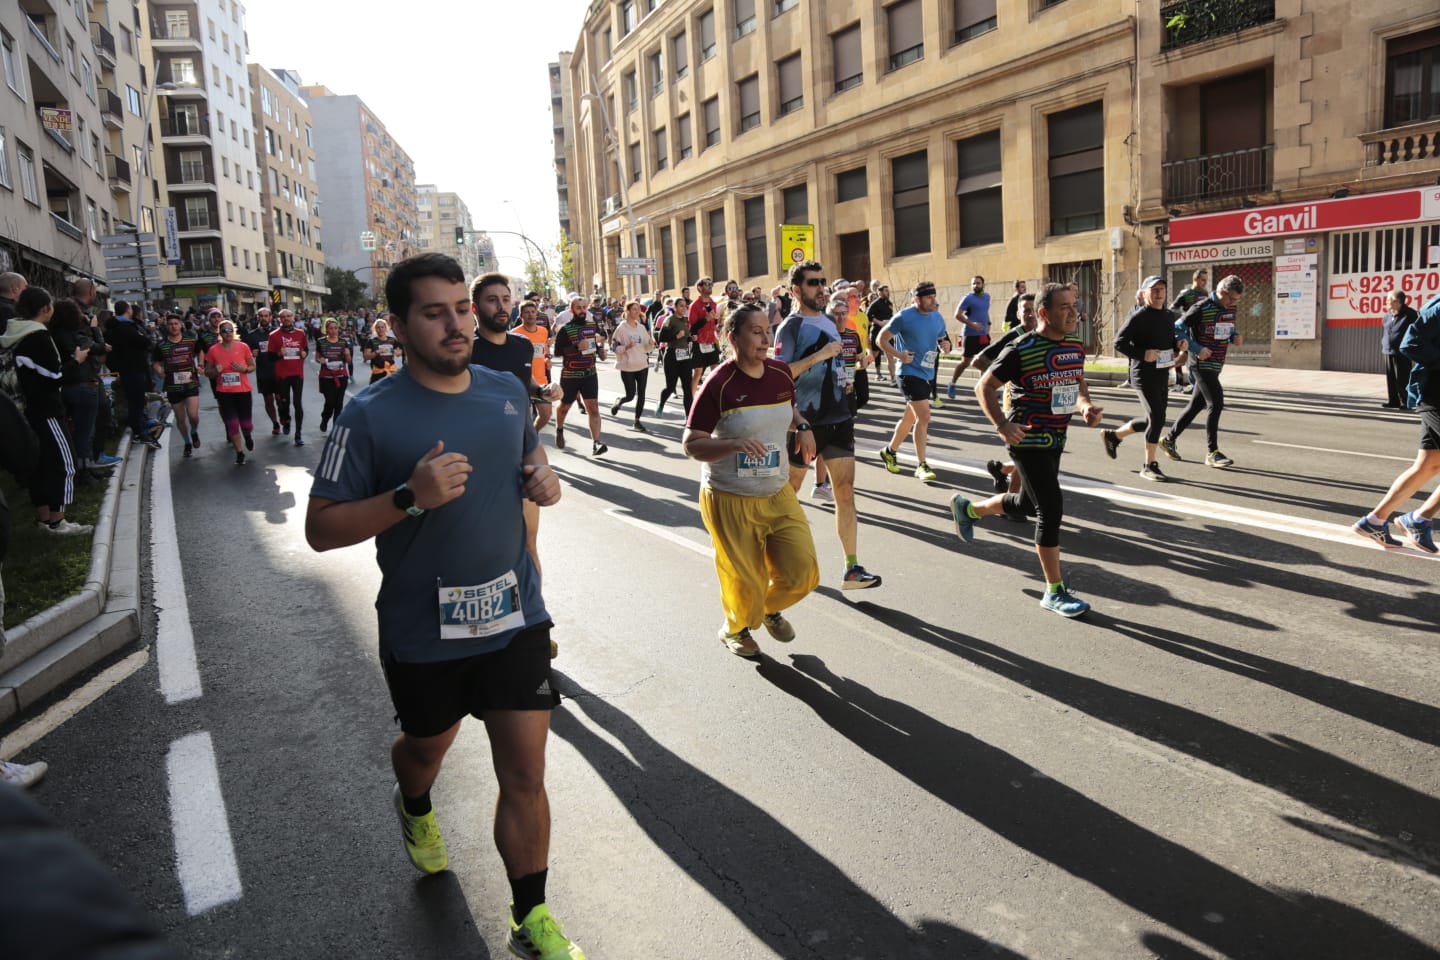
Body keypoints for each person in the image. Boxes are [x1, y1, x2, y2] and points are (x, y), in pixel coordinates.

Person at [305, 254, 582, 960]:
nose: (457, 322)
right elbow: (321, 528)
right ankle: (415, 803)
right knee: (426, 750)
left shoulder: (505, 392)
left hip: (515, 613)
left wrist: (543, 481)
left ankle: (531, 915)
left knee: (524, 773)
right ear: (396, 325)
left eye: (461, 306)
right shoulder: (369, 414)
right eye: (435, 312)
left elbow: (528, 463)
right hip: (423, 631)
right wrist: (407, 496)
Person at [949, 283, 1104, 617]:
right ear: (1044, 313)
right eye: (1064, 306)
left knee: (1024, 503)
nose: (1073, 312)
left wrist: (1085, 406)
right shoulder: (1023, 347)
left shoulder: (1075, 345)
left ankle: (969, 510)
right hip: (1027, 438)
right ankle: (1054, 591)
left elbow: (1075, 380)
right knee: (1050, 507)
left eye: (1074, 305)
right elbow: (983, 386)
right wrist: (1003, 425)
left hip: (1056, 438)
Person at [683, 303, 820, 657]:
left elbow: (788, 410)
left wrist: (802, 426)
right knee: (744, 580)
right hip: (730, 496)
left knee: (803, 572)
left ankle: (765, 608)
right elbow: (692, 444)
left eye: (766, 331)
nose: (765, 338)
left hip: (776, 489)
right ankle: (736, 629)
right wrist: (732, 444)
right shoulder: (718, 383)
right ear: (733, 338)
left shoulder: (779, 373)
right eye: (756, 332)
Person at [774, 263, 882, 592]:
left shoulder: (831, 322)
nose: (821, 288)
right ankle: (774, 558)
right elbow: (781, 377)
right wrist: (820, 355)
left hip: (838, 418)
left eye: (822, 282)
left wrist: (846, 380)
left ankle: (852, 568)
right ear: (796, 290)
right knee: (788, 496)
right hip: (804, 423)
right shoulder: (790, 328)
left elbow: (837, 364)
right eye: (812, 283)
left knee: (845, 492)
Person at [1354, 292, 1440, 553]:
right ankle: (1419, 519)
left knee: (1428, 465)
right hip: (1436, 394)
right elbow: (1411, 343)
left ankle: (1374, 521)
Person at [1, 287, 92, 535]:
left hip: (25, 409)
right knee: (65, 462)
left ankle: (43, 520)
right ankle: (58, 521)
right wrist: (77, 361)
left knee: (39, 464)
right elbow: (54, 377)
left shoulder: (15, 333)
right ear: (45, 309)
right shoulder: (37, 336)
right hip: (47, 409)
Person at [1102, 277, 1187, 482]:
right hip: (1142, 374)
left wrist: (1179, 346)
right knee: (1157, 418)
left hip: (1161, 373)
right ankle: (1149, 466)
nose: (1159, 293)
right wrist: (1143, 354)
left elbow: (1167, 342)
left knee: (1153, 419)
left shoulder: (1168, 315)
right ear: (1145, 293)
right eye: (1154, 289)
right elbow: (1119, 342)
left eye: (1162, 289)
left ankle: (1114, 436)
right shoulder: (1139, 316)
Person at [1160, 275, 1244, 469]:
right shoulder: (1201, 307)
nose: (1232, 303)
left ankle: (1169, 439)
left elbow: (1226, 328)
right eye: (1231, 298)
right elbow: (1177, 328)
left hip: (1216, 364)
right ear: (1221, 292)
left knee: (1196, 405)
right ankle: (1212, 452)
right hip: (1200, 364)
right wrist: (1197, 349)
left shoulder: (1229, 307)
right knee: (1216, 403)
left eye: (1236, 300)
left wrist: (1235, 336)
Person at [876, 281, 948, 482]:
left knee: (910, 418)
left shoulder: (937, 316)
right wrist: (899, 355)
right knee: (924, 416)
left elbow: (942, 339)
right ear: (917, 299)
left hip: (927, 373)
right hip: (907, 373)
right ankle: (921, 464)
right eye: (929, 298)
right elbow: (881, 339)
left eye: (934, 296)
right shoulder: (904, 317)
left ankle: (889, 451)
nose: (933, 301)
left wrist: (946, 345)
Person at [551, 297, 608, 456]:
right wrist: (576, 346)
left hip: (590, 373)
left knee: (594, 408)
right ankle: (559, 429)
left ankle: (596, 443)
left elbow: (592, 345)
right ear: (572, 310)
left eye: (584, 307)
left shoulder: (592, 325)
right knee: (564, 407)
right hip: (570, 375)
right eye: (578, 308)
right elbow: (557, 352)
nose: (582, 311)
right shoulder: (565, 329)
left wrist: (600, 352)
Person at [105, 300, 159, 449]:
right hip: (133, 368)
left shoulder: (113, 328)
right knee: (137, 400)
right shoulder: (126, 327)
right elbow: (143, 341)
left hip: (126, 368)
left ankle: (139, 424)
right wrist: (147, 335)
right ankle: (138, 430)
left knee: (135, 399)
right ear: (128, 310)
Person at [203, 319, 256, 465]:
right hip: (224, 392)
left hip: (243, 391)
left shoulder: (243, 346)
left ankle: (247, 435)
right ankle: (239, 452)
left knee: (246, 424)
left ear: (234, 331)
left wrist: (244, 369)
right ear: (220, 333)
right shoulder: (213, 350)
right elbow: (207, 372)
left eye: (230, 330)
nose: (228, 333)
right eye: (224, 331)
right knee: (232, 424)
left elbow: (252, 366)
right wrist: (215, 371)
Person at [152, 314, 203, 458]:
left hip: (191, 383)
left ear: (180, 325)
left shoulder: (190, 341)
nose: (173, 326)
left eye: (176, 323)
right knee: (180, 419)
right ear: (167, 327)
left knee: (193, 415)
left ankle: (193, 431)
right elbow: (155, 362)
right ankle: (187, 443)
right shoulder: (161, 345)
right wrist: (159, 371)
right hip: (173, 387)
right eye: (170, 324)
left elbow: (200, 352)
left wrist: (200, 365)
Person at [609, 300, 655, 432]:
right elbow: (614, 347)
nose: (637, 312)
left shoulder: (641, 327)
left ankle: (637, 421)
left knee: (642, 394)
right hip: (627, 366)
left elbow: (646, 347)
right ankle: (620, 401)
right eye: (634, 309)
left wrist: (651, 344)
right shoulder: (621, 328)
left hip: (642, 364)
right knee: (630, 395)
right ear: (627, 311)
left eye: (638, 309)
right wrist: (627, 347)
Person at [511, 301, 557, 432]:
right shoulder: (514, 334)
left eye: (533, 312)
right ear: (521, 316)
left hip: (541, 381)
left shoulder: (543, 331)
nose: (530, 315)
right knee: (525, 418)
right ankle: (525, 442)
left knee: (546, 415)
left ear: (537, 314)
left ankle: (532, 437)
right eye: (527, 312)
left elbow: (544, 350)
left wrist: (547, 359)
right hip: (523, 382)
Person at [267, 309, 309, 446]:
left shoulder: (300, 333)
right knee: (284, 404)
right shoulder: (273, 335)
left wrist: (304, 354)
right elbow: (270, 357)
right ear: (279, 319)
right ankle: (285, 419)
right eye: (283, 317)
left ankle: (298, 434)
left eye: (288, 316)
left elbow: (305, 349)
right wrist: (279, 353)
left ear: (293, 318)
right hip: (282, 375)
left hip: (297, 374)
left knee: (298, 404)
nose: (286, 319)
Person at [946, 276, 992, 398]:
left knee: (984, 362)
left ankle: (982, 389)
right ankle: (952, 383)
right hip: (970, 335)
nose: (976, 285)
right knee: (965, 363)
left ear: (983, 284)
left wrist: (988, 323)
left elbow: (985, 312)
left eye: (978, 283)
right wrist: (972, 324)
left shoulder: (987, 297)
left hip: (983, 335)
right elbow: (957, 315)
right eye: (973, 284)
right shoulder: (968, 298)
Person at [1169, 269, 1210, 392]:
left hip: (1203, 331)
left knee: (1200, 358)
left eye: (1206, 280)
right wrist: (1184, 317)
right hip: (1188, 331)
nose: (1204, 283)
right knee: (1189, 357)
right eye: (1202, 280)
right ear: (1195, 279)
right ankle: (1191, 385)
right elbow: (1172, 309)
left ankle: (1198, 385)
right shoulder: (1186, 294)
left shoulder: (1205, 294)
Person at [242, 307, 281, 433]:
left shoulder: (277, 332)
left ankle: (284, 417)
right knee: (269, 400)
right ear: (257, 317)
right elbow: (244, 353)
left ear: (270, 317)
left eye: (266, 316)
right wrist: (252, 353)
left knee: (281, 399)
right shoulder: (252, 335)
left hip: (278, 370)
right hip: (263, 372)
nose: (264, 318)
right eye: (261, 316)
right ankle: (275, 423)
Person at [654, 302, 695, 417]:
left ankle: (688, 417)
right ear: (675, 307)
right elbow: (661, 337)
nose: (684, 308)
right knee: (670, 387)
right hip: (672, 356)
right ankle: (661, 403)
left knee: (687, 388)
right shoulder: (669, 320)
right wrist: (675, 336)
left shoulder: (686, 321)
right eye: (681, 306)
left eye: (685, 306)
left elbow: (685, 338)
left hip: (685, 357)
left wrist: (691, 338)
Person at [1382, 291, 1419, 410]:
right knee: (1391, 377)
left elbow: (1417, 330)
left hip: (1402, 351)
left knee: (1402, 377)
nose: (1386, 302)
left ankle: (1405, 401)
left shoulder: (1410, 314)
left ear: (1398, 302)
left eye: (1388, 300)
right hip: (1388, 350)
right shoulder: (1388, 315)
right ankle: (1393, 400)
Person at [314, 319, 351, 434]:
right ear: (326, 329)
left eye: (335, 328)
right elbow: (317, 358)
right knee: (330, 402)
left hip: (341, 375)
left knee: (339, 403)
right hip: (327, 377)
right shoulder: (321, 342)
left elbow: (349, 361)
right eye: (331, 328)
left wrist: (347, 354)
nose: (333, 330)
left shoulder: (343, 342)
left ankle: (336, 427)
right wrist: (321, 360)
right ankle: (325, 419)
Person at [687, 277, 722, 397]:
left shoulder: (713, 303)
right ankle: (691, 399)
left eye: (711, 284)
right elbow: (692, 328)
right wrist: (705, 319)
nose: (710, 286)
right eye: (707, 284)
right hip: (699, 342)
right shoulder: (695, 305)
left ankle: (715, 397)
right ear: (700, 287)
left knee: (715, 371)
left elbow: (715, 323)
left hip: (711, 341)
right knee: (698, 373)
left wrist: (717, 324)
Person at [364, 318, 402, 384]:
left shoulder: (392, 340)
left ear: (386, 328)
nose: (380, 329)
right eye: (378, 327)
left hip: (391, 370)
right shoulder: (371, 341)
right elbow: (366, 357)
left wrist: (397, 353)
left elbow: (399, 352)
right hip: (378, 372)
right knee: (375, 392)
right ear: (375, 329)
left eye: (382, 327)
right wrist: (377, 352)